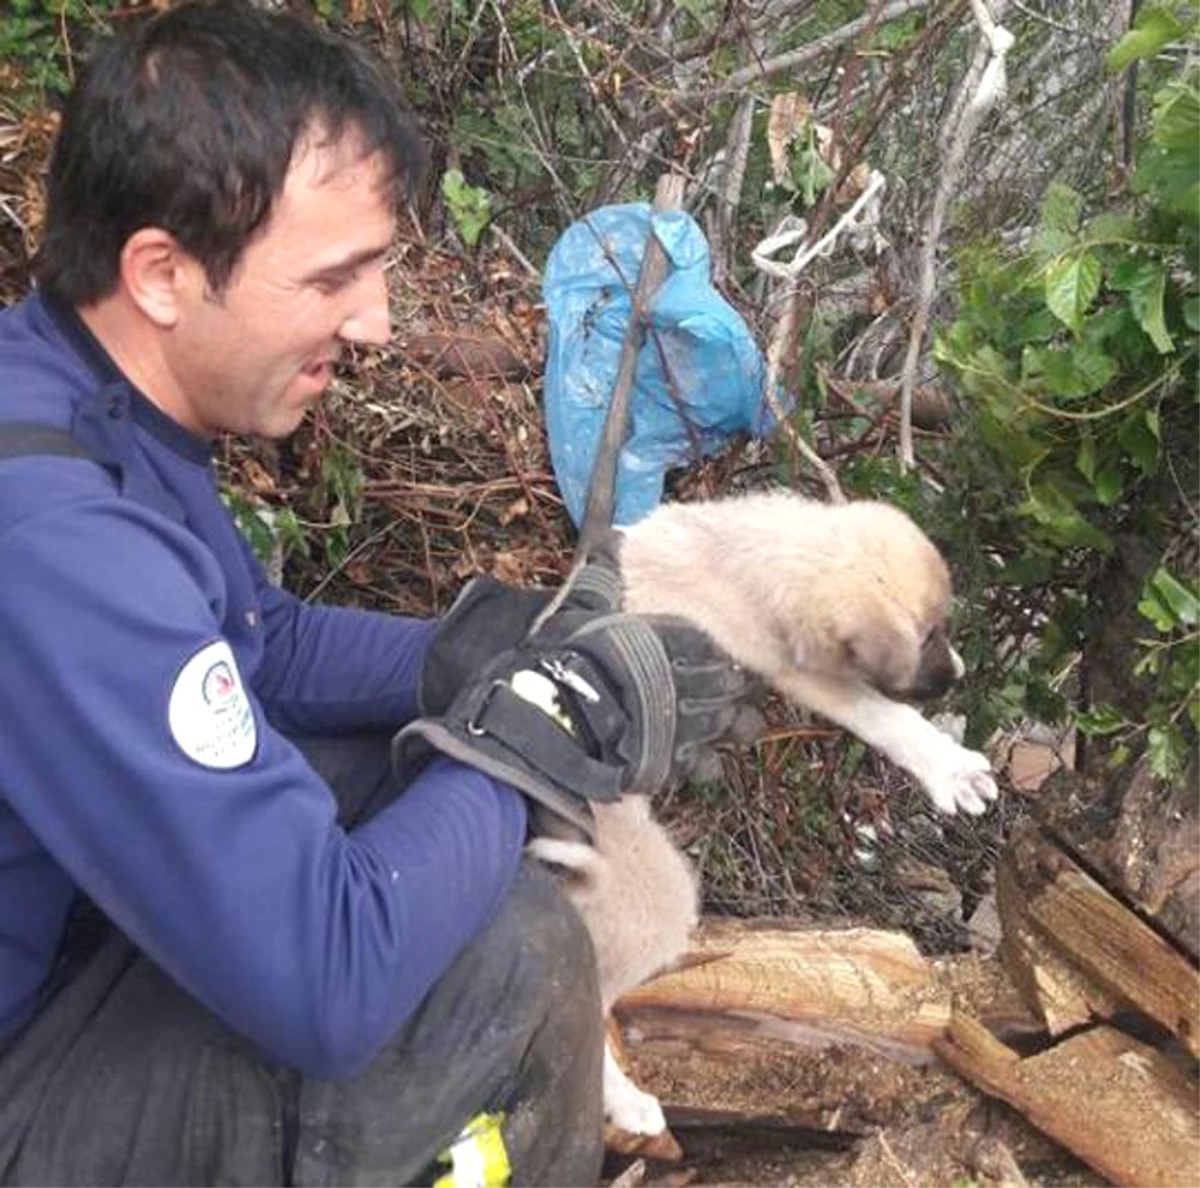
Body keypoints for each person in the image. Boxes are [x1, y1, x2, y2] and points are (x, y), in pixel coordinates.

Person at [0, 3, 755, 1186]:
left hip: (67, 954)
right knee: (508, 954)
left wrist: (498, 652)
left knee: (393, 767)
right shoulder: (53, 541)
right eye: (335, 277)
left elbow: (263, 644)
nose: (378, 323)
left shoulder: (82, 400)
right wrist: (534, 732)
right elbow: (328, 977)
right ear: (161, 273)